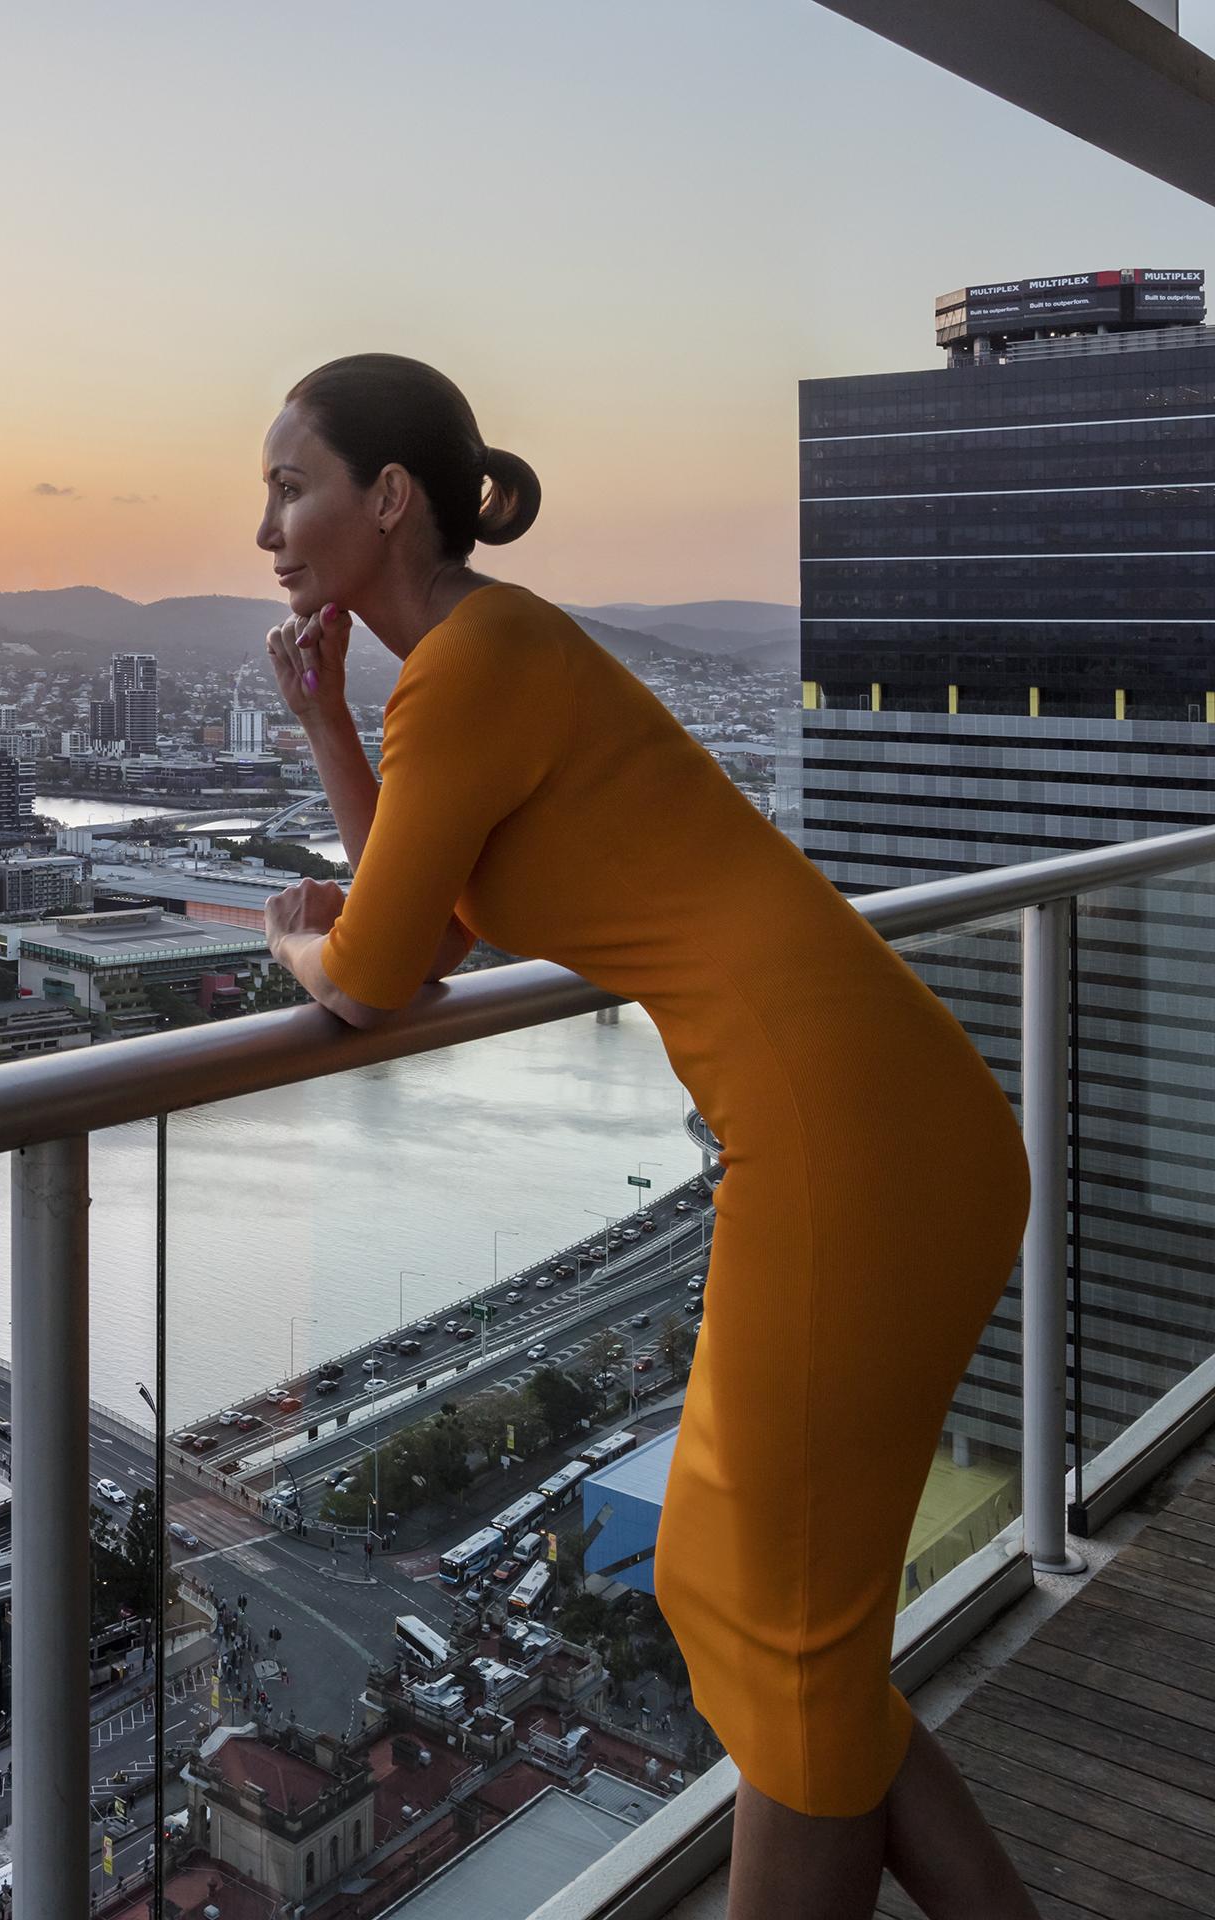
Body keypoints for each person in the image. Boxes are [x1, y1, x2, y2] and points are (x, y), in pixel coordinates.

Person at [252, 354, 1036, 1919]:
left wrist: (291, 942)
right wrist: (331, 721)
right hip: (861, 1111)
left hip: (843, 1133)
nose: (264, 527)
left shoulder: (477, 664)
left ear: (387, 498)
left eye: (290, 486)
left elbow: (374, 970)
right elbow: (431, 912)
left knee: (787, 1638)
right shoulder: (471, 666)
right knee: (728, 1600)